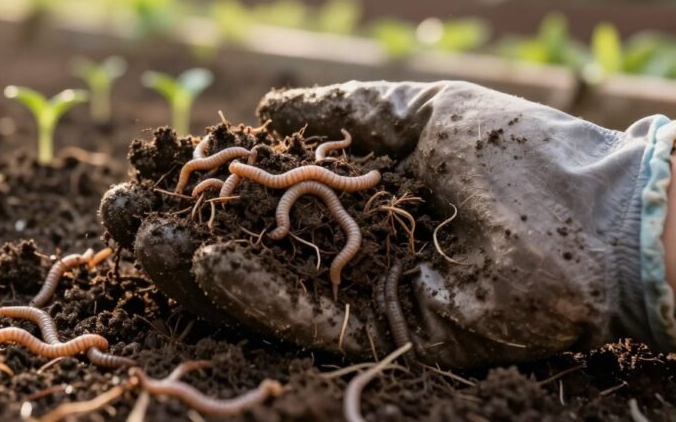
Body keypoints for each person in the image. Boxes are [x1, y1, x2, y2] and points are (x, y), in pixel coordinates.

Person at [100, 81, 676, 368]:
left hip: (364, 198)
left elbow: (341, 193)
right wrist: (620, 205)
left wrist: (615, 214)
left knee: (312, 208)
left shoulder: (360, 199)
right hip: (347, 194)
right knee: (258, 197)